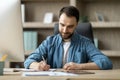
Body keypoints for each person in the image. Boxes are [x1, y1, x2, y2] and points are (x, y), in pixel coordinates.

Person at [24, 6, 112, 71]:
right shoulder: (49, 42)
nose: (65, 30)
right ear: (58, 22)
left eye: (70, 26)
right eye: (62, 25)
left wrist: (79, 66)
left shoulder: (85, 43)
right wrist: (37, 65)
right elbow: (28, 61)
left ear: (76, 25)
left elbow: (106, 62)